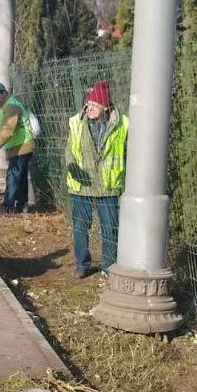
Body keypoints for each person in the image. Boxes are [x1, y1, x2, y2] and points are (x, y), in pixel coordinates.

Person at [65, 80, 128, 278]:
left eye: (95, 104)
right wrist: (72, 166)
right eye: (89, 103)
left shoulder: (122, 124)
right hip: (81, 185)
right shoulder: (77, 122)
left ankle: (109, 265)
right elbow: (69, 150)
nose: (90, 107)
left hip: (107, 185)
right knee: (80, 226)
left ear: (106, 106)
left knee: (110, 228)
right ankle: (82, 265)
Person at [0, 81, 35, 214]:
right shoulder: (5, 104)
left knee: (13, 177)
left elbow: (8, 130)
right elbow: (0, 119)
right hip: (18, 146)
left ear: (3, 93)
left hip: (21, 146)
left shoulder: (11, 106)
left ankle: (8, 206)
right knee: (20, 177)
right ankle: (21, 206)